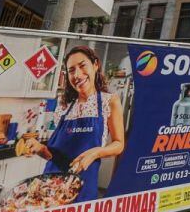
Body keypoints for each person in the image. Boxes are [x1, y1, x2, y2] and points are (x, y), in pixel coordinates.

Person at [21, 45, 125, 202]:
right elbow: (54, 156)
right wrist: (40, 148)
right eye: (71, 70)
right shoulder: (64, 106)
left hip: (82, 188)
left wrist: (96, 152)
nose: (77, 74)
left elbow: (119, 144)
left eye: (83, 66)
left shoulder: (109, 101)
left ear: (95, 65)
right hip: (50, 187)